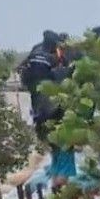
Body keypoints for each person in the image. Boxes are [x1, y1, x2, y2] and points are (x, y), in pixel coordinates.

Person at [22, 30, 77, 184]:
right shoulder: (56, 70)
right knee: (65, 163)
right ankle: (61, 198)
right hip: (58, 120)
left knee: (56, 160)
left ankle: (56, 195)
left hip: (41, 120)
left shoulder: (34, 64)